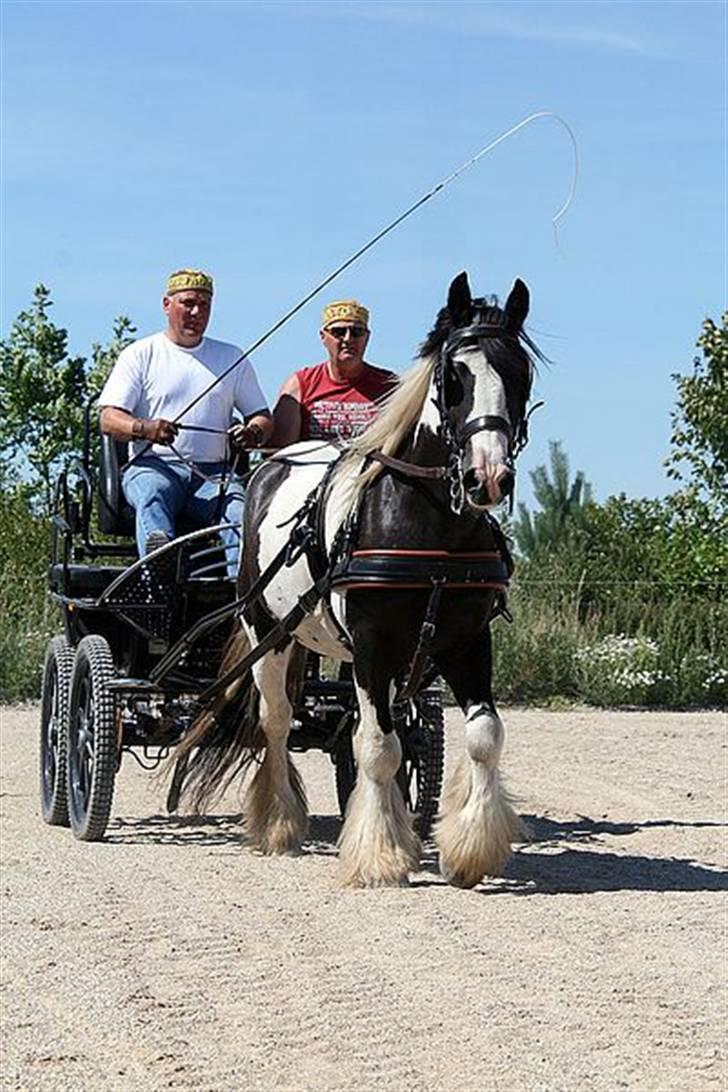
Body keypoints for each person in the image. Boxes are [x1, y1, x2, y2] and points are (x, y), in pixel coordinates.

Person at [98, 268, 272, 575]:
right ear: (167, 305)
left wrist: (254, 433)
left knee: (240, 512)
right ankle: (160, 568)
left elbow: (261, 415)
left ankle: (238, 598)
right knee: (153, 495)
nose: (196, 312)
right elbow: (109, 419)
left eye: (204, 305)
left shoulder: (231, 357)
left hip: (212, 476)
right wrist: (145, 428)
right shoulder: (141, 354)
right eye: (188, 303)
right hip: (153, 465)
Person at [271, 299, 397, 447]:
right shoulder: (300, 384)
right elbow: (279, 453)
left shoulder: (390, 386)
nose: (348, 339)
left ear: (367, 337)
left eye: (357, 332)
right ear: (323, 337)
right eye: (339, 332)